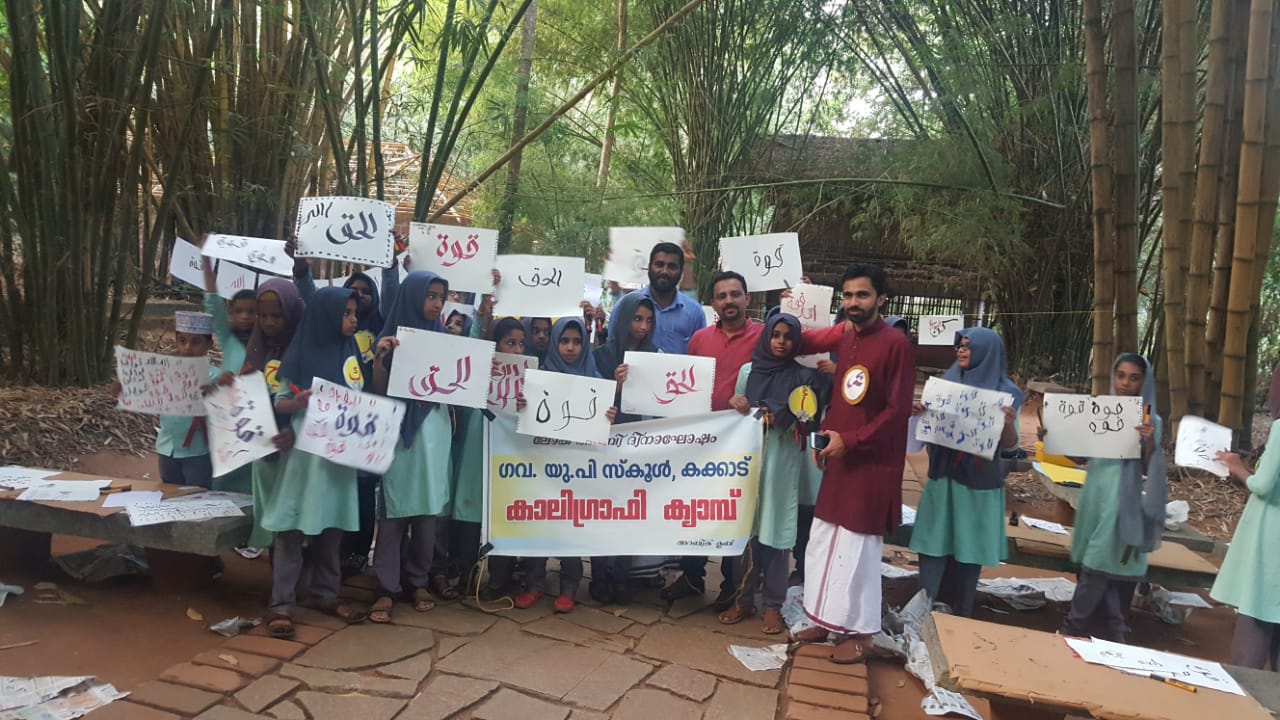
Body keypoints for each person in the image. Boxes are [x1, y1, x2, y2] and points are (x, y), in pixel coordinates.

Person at [791, 263, 915, 664]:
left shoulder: (896, 345)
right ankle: (823, 619)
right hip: (839, 454)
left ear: (881, 298)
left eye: (862, 295)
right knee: (824, 539)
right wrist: (826, 436)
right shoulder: (846, 338)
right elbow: (842, 397)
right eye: (847, 295)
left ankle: (861, 633)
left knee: (857, 549)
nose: (853, 303)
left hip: (873, 462)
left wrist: (853, 441)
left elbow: (896, 412)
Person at [262, 287, 369, 638]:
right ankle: (281, 604)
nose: (354, 320)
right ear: (326, 316)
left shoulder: (350, 355)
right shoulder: (300, 356)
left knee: (331, 528)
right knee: (291, 528)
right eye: (346, 313)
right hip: (304, 461)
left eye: (355, 313)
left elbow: (360, 400)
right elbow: (279, 400)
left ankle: (326, 594)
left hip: (337, 459)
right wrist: (297, 404)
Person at [663, 271, 763, 606]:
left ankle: (733, 585)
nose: (729, 301)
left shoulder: (765, 337)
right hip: (703, 440)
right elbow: (687, 384)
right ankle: (692, 577)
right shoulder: (699, 339)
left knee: (735, 511)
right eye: (722, 296)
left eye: (735, 294)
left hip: (742, 443)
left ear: (747, 298)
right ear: (713, 303)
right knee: (697, 508)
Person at [909, 328, 1023, 617]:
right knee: (934, 541)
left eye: (969, 346)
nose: (961, 350)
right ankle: (924, 607)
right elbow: (921, 435)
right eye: (960, 345)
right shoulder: (945, 386)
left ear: (987, 352)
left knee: (971, 547)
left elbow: (1011, 445)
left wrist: (1007, 423)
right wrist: (919, 414)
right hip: (943, 477)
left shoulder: (1007, 394)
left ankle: (962, 612)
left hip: (978, 484)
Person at [729, 313, 828, 634]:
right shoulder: (748, 372)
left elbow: (810, 419)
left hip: (782, 463)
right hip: (749, 461)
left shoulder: (804, 377)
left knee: (777, 529)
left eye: (788, 337)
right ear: (767, 336)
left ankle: (773, 605)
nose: (781, 342)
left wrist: (784, 418)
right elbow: (736, 412)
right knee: (745, 528)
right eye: (776, 335)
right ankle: (742, 598)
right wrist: (737, 402)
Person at [365, 271, 455, 623]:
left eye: (440, 297)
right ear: (413, 296)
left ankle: (418, 580)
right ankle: (387, 586)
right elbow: (378, 392)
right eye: (430, 296)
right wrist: (380, 359)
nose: (436, 304)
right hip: (400, 435)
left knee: (427, 513)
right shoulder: (389, 339)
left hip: (435, 434)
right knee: (394, 512)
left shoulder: (446, 342)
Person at [1055, 354, 1162, 642]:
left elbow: (1148, 467)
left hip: (1121, 502)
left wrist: (1148, 440)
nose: (1126, 383)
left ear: (1144, 382)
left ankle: (1074, 626)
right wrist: (1053, 436)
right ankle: (1116, 629)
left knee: (1098, 562)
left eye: (1134, 378)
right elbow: (1080, 456)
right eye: (1121, 375)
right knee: (1101, 566)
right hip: (1094, 498)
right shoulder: (1100, 412)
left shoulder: (1150, 420)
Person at [514, 317, 618, 613]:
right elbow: (527, 422)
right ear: (554, 343)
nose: (570, 348)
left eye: (576, 342)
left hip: (577, 469)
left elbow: (602, 429)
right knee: (540, 524)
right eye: (564, 341)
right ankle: (535, 583)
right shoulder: (540, 377)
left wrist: (609, 416)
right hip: (544, 466)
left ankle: (570, 584)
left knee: (571, 524)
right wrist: (523, 406)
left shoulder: (595, 380)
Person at [589, 293, 659, 604]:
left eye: (649, 321)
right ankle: (599, 575)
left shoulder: (655, 356)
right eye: (637, 319)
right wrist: (615, 387)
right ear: (624, 319)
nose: (643, 327)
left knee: (630, 510)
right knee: (602, 509)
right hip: (603, 446)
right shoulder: (601, 356)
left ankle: (621, 576)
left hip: (638, 445)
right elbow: (589, 400)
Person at [235, 278, 305, 554]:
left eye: (276, 316)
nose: (268, 323)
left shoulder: (304, 351)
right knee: (267, 501)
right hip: (264, 441)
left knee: (291, 511)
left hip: (294, 445)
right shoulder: (259, 348)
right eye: (262, 316)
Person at [114, 311, 217, 490]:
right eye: (182, 341)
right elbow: (146, 394)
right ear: (176, 341)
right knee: (170, 492)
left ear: (209, 344)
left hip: (198, 450)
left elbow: (228, 407)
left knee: (198, 495)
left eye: (195, 342)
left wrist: (214, 395)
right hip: (166, 447)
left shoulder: (215, 376)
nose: (187, 348)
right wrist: (126, 389)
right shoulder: (162, 371)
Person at [1212, 426, 1280, 670]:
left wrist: (1237, 467)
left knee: (1257, 612)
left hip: (1270, 537)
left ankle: (1246, 687)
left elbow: (1263, 485)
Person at [608, 242, 706, 355]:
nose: (664, 271)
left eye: (672, 267)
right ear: (649, 267)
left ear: (681, 272)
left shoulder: (695, 313)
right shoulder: (625, 305)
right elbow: (611, 349)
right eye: (659, 265)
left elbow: (700, 355)